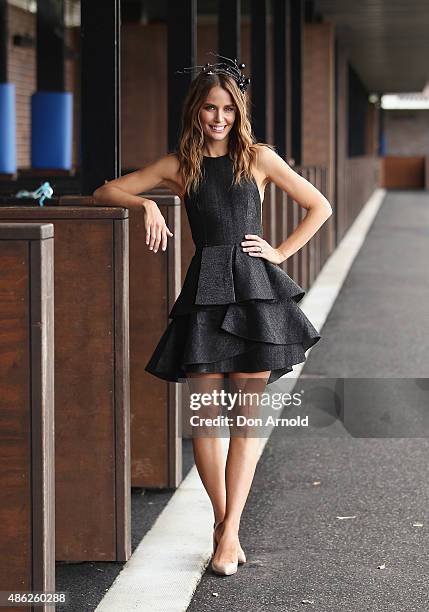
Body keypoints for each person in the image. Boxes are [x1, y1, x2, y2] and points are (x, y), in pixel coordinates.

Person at [93, 54, 332, 577]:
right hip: (205, 292)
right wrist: (149, 205)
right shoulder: (180, 164)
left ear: (238, 110)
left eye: (226, 108)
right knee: (205, 417)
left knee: (245, 420)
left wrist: (281, 252)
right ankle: (225, 524)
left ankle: (231, 532)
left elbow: (320, 206)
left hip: (255, 293)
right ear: (195, 111)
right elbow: (106, 190)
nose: (218, 118)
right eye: (209, 109)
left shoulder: (260, 158)